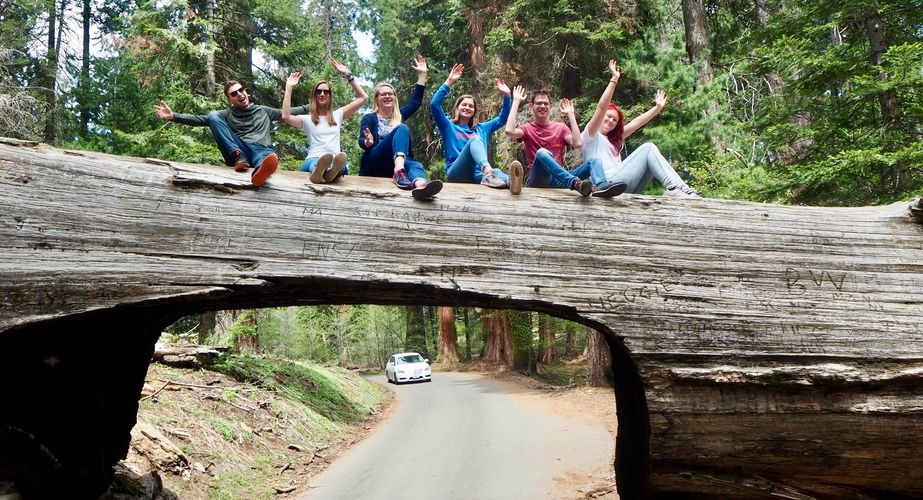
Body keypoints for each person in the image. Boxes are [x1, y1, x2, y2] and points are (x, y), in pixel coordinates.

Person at [581, 59, 700, 198]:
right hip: (604, 183)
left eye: (615, 120)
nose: (611, 120)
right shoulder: (591, 135)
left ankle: (685, 190)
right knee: (648, 148)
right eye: (608, 116)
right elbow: (601, 107)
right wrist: (614, 79)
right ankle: (673, 188)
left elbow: (636, 123)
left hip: (621, 187)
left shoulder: (614, 140)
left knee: (650, 161)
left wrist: (657, 109)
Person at [154, 80, 309, 187]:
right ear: (230, 100)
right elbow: (201, 119)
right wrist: (174, 116)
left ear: (246, 92)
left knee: (266, 158)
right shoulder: (227, 114)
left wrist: (319, 104)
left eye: (241, 90)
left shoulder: (263, 110)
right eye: (234, 94)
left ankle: (259, 173)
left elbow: (289, 113)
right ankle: (238, 156)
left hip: (260, 150)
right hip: (239, 151)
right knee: (213, 116)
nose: (240, 94)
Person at [504, 86, 625, 198]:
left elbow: (578, 143)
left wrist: (571, 115)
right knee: (542, 153)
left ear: (550, 106)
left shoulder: (560, 127)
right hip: (539, 180)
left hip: (559, 180)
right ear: (531, 107)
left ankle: (600, 185)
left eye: (545, 103)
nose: (542, 106)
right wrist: (516, 101)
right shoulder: (527, 128)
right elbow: (509, 131)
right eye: (538, 103)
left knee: (594, 160)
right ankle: (575, 183)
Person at [429, 63, 523, 194]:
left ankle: (511, 182)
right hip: (457, 174)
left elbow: (502, 119)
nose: (467, 108)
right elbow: (434, 105)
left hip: (478, 176)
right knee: (475, 141)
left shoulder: (482, 128)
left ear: (474, 111)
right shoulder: (448, 126)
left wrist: (507, 96)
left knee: (497, 172)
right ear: (457, 108)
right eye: (464, 105)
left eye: (470, 106)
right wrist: (449, 81)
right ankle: (488, 173)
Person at [358, 55, 442, 200]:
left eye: (390, 93)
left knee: (414, 164)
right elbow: (361, 140)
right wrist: (367, 142)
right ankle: (399, 170)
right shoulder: (369, 117)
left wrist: (422, 75)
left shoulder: (399, 115)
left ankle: (421, 186)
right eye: (383, 94)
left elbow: (415, 102)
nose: (387, 96)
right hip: (376, 161)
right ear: (377, 98)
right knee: (402, 128)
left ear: (395, 97)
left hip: (397, 163)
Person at [281, 58, 367, 184]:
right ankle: (319, 171)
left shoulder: (337, 115)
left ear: (329, 96)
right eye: (318, 91)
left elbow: (363, 97)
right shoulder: (307, 119)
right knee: (319, 161)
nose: (322, 94)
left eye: (326, 91)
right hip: (312, 160)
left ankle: (330, 172)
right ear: (314, 95)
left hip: (335, 159)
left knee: (339, 162)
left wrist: (347, 74)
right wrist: (289, 87)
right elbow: (286, 117)